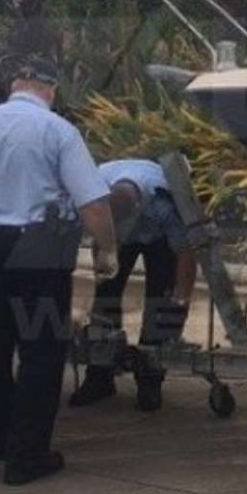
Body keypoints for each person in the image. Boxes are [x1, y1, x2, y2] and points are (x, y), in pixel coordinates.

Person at [0, 56, 119, 486]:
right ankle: (26, 456)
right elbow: (93, 202)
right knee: (41, 351)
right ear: (50, 89)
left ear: (16, 85)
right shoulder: (58, 131)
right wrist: (105, 249)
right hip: (41, 253)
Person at [68, 158, 197, 412]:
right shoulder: (95, 187)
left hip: (160, 239)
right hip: (114, 234)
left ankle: (150, 380)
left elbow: (185, 253)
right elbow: (98, 242)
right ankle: (99, 376)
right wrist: (102, 271)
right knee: (105, 296)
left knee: (161, 301)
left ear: (139, 207)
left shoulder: (165, 202)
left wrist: (182, 299)